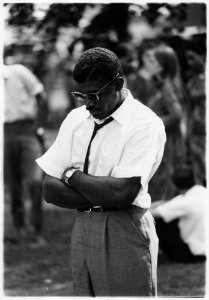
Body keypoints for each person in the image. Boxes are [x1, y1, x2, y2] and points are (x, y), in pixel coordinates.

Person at [36, 47, 166, 296]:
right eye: (81, 95)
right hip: (83, 225)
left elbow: (123, 194)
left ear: (117, 84)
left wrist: (71, 176)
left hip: (124, 226)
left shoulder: (144, 124)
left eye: (95, 94)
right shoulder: (75, 120)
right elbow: (49, 190)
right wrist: (103, 192)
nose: (88, 104)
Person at [3, 63, 48, 247]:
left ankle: (35, 230)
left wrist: (39, 126)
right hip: (4, 133)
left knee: (35, 181)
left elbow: (42, 97)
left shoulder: (18, 71)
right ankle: (18, 229)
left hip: (27, 130)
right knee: (12, 185)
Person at [140, 44, 187, 201]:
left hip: (168, 142)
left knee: (164, 179)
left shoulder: (166, 86)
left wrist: (152, 123)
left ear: (163, 65)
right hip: (163, 140)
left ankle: (164, 216)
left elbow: (177, 114)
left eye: (153, 61)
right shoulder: (159, 83)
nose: (149, 64)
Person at [150, 168, 207, 263]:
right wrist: (160, 203)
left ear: (174, 185)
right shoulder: (202, 191)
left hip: (196, 254)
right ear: (194, 179)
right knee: (169, 215)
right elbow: (168, 203)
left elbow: (148, 214)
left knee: (156, 221)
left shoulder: (182, 203)